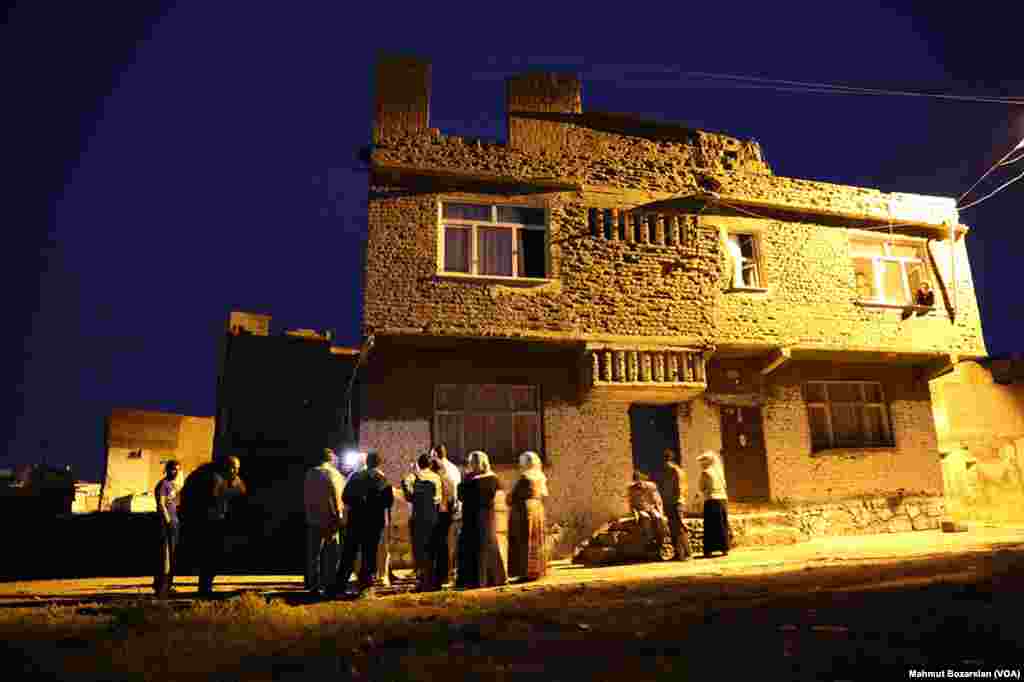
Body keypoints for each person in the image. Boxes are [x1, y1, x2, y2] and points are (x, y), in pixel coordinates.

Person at [180, 456, 247, 598]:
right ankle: (204, 589)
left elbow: (241, 490)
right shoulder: (214, 478)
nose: (236, 471)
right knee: (209, 556)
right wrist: (232, 486)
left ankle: (205, 587)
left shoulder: (226, 478)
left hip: (216, 521)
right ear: (226, 466)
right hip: (209, 523)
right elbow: (217, 496)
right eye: (233, 468)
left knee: (213, 557)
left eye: (237, 468)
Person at [332, 451, 394, 598]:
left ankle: (338, 586)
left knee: (349, 554)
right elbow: (388, 502)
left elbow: (345, 497)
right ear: (379, 463)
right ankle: (365, 588)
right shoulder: (381, 479)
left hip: (355, 521)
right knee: (369, 555)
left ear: (367, 462)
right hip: (373, 523)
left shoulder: (355, 476)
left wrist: (357, 505)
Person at [460, 451, 507, 588]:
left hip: (474, 517)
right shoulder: (493, 478)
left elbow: (461, 495)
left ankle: (477, 580)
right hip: (487, 516)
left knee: (476, 546)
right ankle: (495, 577)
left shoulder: (470, 480)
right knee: (489, 544)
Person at [303, 448, 346, 596]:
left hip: (313, 518)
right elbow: (336, 495)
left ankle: (312, 584)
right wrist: (339, 516)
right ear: (330, 458)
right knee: (331, 553)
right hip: (329, 519)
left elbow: (306, 496)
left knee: (313, 553)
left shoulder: (310, 473)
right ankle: (329, 584)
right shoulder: (332, 473)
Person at [401, 453, 442, 591]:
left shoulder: (412, 477)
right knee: (432, 549)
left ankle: (422, 581)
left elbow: (408, 496)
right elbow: (438, 499)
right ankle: (433, 581)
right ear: (430, 464)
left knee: (419, 550)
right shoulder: (436, 477)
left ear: (418, 463)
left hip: (417, 517)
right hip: (432, 517)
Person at [507, 451, 549, 582]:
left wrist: (509, 497)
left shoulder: (525, 477)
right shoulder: (540, 476)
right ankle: (538, 570)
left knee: (524, 540)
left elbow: (513, 497)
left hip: (524, 511)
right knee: (536, 539)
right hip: (537, 509)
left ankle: (526, 572)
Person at [430, 444, 461, 588]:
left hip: (444, 511)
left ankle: (443, 575)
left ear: (436, 455)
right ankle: (447, 573)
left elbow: (450, 490)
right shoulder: (453, 468)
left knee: (442, 544)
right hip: (451, 509)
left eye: (432, 455)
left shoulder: (443, 470)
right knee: (448, 543)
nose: (431, 458)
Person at [153, 460, 181, 597]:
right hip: (165, 524)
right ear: (167, 470)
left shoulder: (174, 485)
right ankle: (160, 586)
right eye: (173, 469)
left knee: (173, 555)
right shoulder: (163, 485)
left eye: (177, 469)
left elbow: (176, 503)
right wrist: (168, 520)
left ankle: (168, 585)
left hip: (174, 522)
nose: (175, 472)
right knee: (164, 556)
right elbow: (161, 504)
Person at [659, 449, 691, 561]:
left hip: (674, 502)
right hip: (675, 502)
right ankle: (682, 553)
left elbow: (679, 488)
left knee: (678, 528)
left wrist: (676, 502)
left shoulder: (673, 470)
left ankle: (683, 554)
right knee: (676, 528)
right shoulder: (678, 470)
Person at [698, 450, 730, 558]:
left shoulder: (706, 472)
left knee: (711, 526)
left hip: (712, 500)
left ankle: (709, 550)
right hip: (723, 500)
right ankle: (724, 548)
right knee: (722, 524)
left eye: (703, 460)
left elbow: (701, 487)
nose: (701, 463)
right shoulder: (720, 471)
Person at [627, 471, 668, 548]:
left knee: (658, 518)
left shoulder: (651, 486)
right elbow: (631, 502)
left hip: (651, 508)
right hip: (640, 509)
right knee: (646, 518)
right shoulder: (631, 489)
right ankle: (650, 539)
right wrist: (634, 512)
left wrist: (660, 511)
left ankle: (661, 538)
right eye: (636, 480)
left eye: (639, 480)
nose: (638, 483)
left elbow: (657, 500)